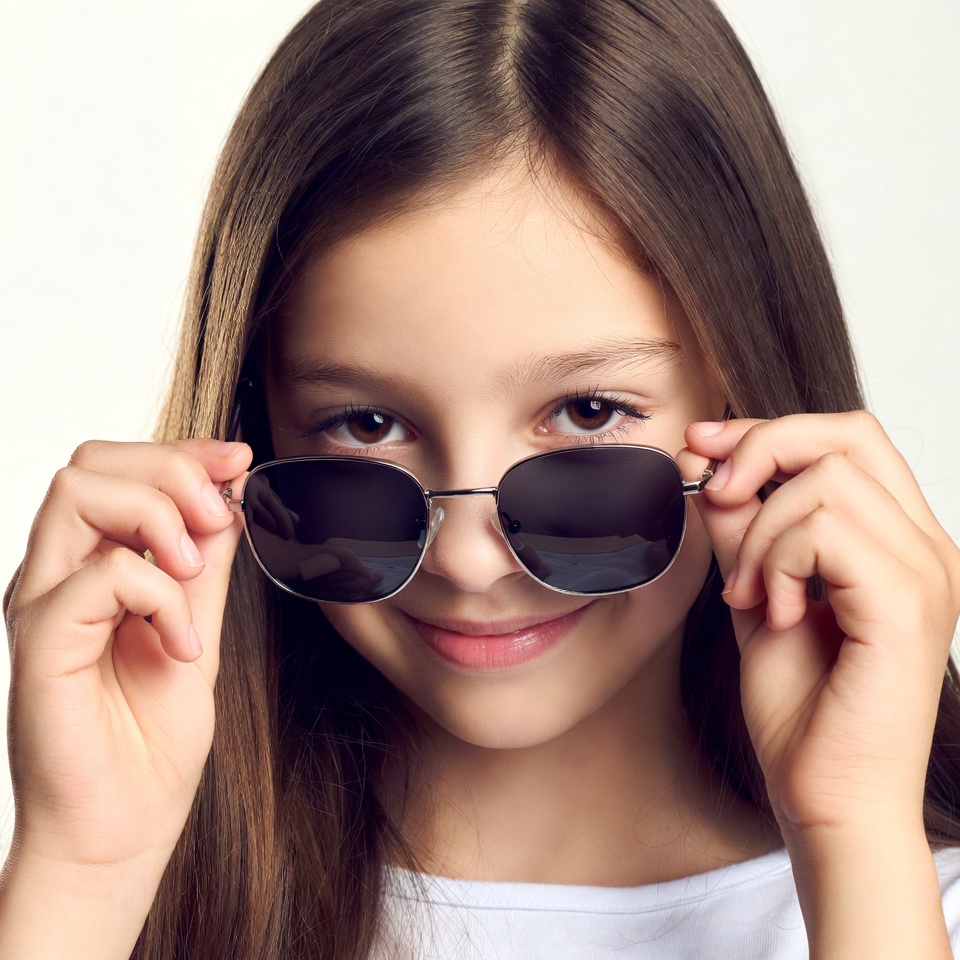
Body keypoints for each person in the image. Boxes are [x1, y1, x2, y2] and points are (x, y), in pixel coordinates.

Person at [2, 0, 959, 957]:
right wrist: (85, 870)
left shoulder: (909, 905)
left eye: (588, 413)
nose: (465, 560)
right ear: (253, 440)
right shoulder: (105, 898)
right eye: (368, 425)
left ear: (749, 399)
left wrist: (853, 840)